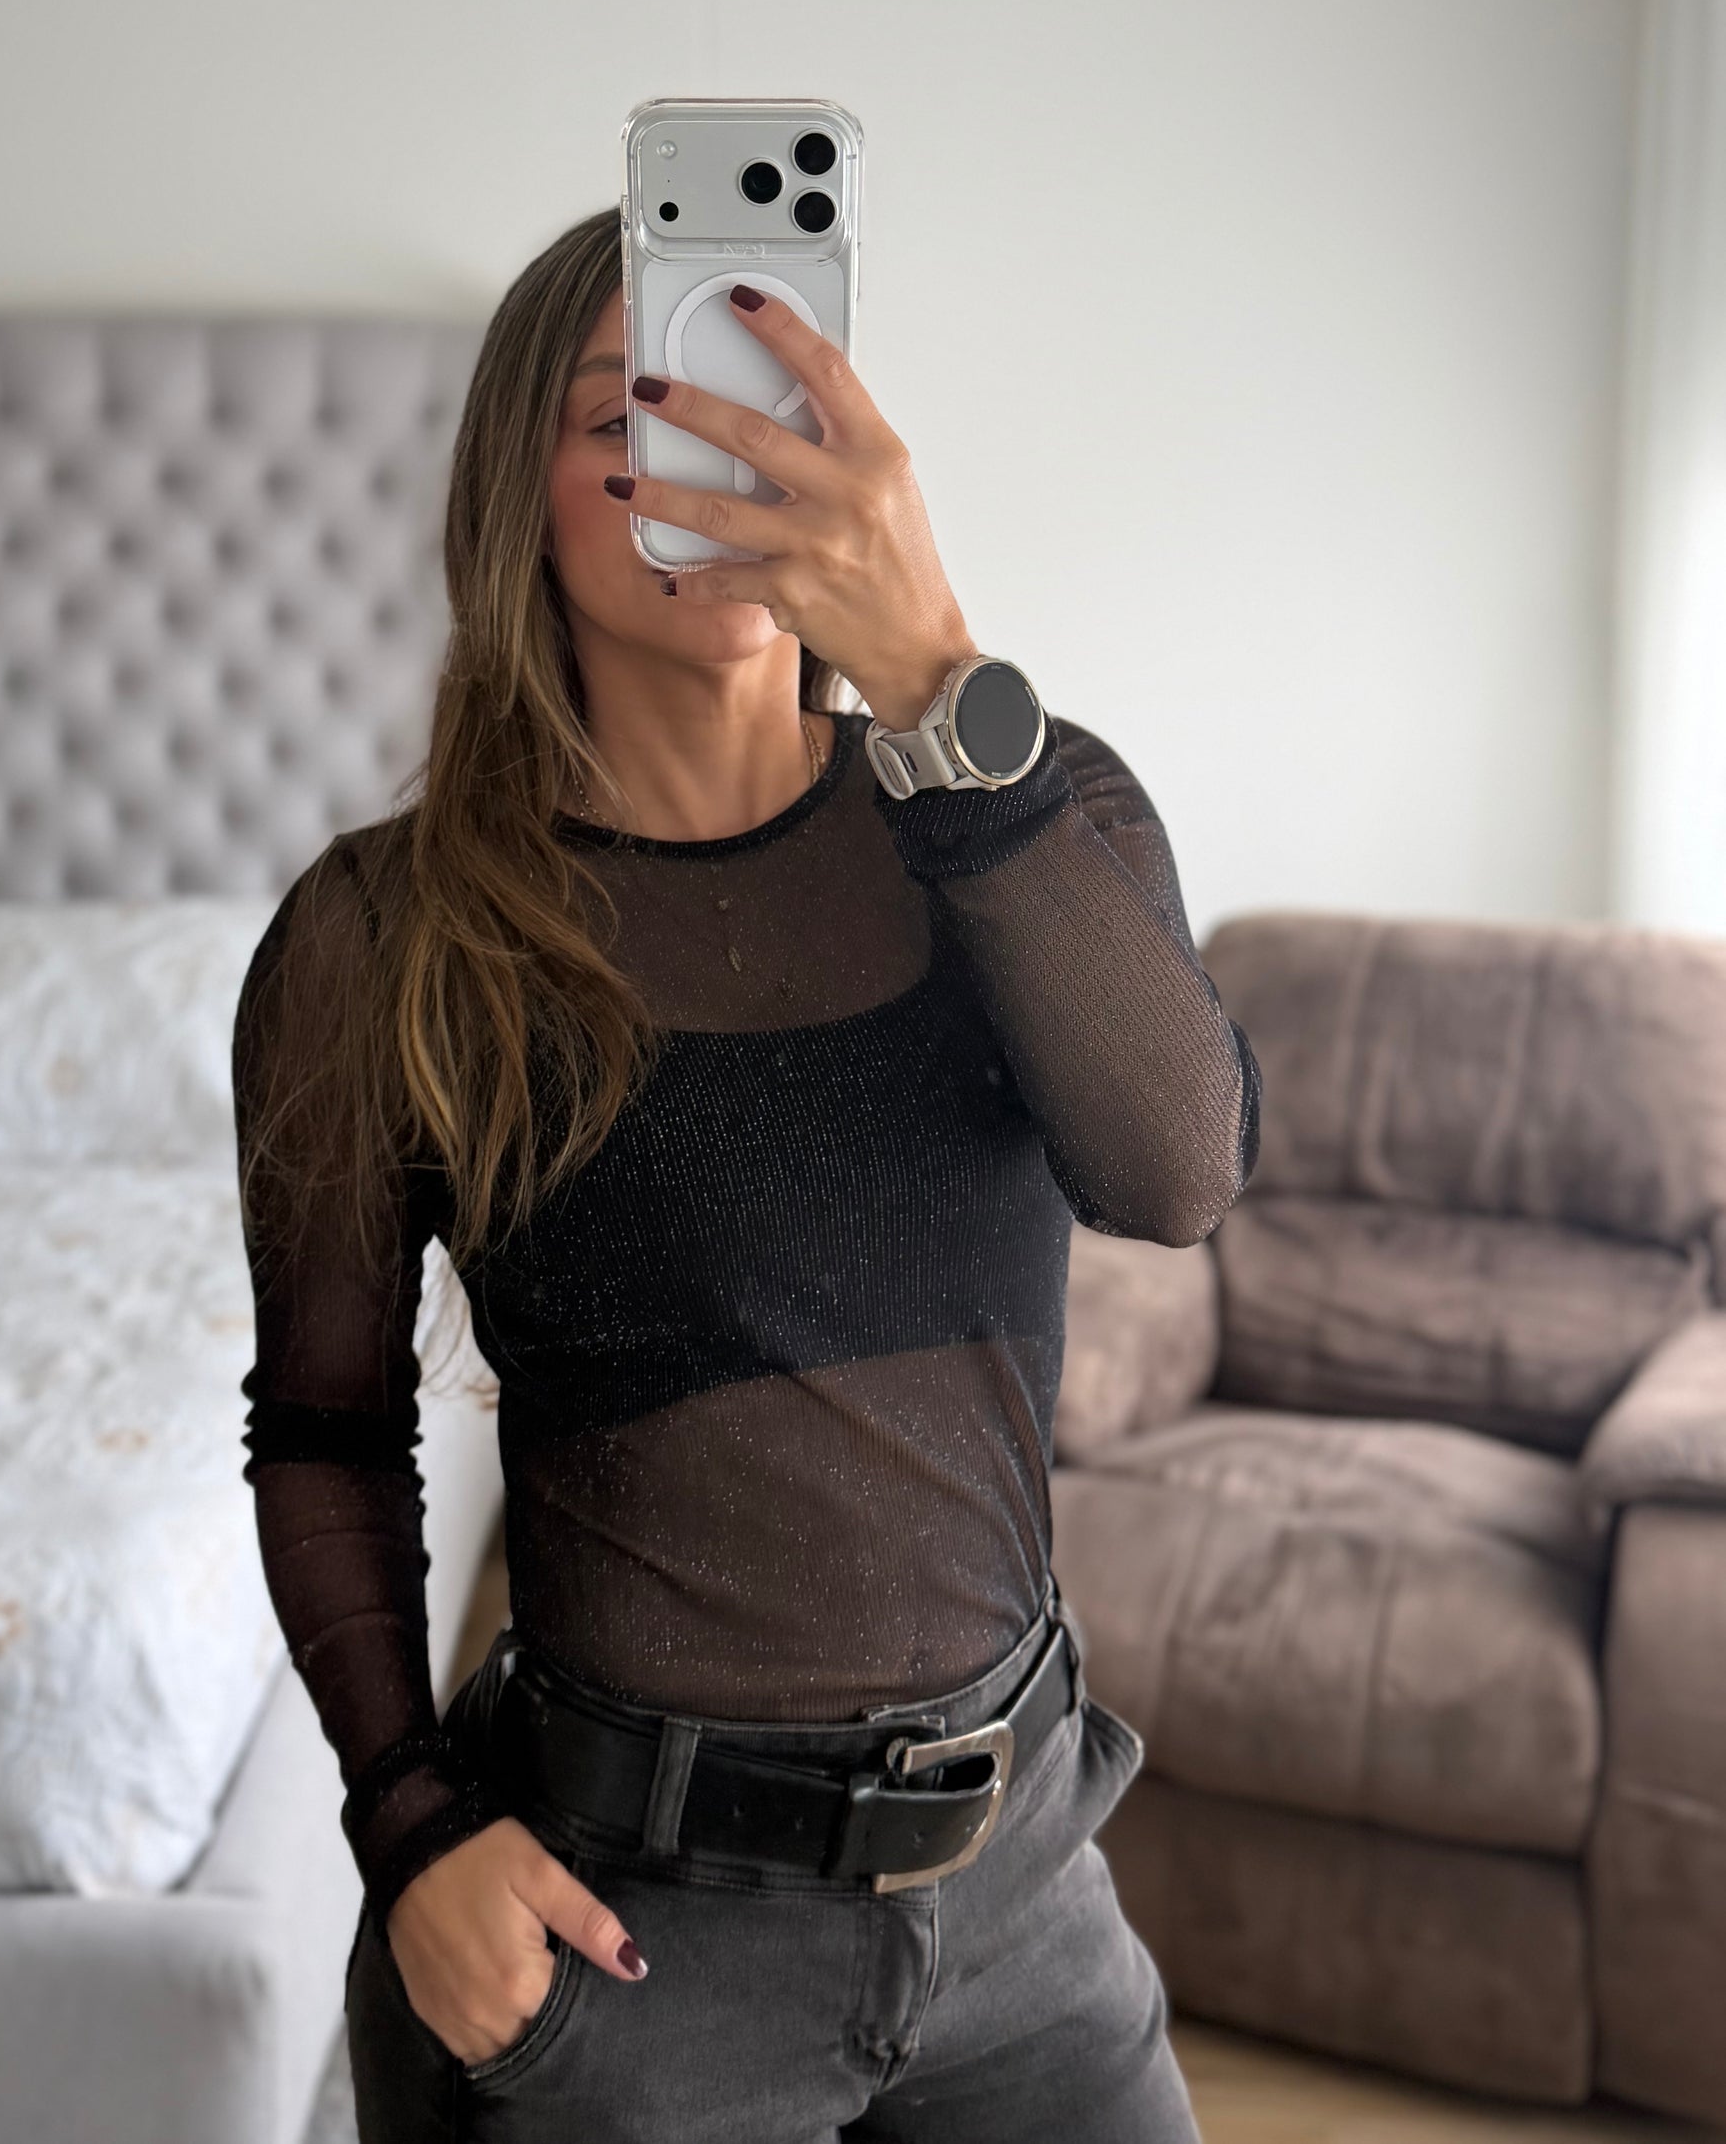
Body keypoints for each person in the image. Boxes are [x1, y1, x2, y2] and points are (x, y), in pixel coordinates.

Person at [232, 203, 1260, 2141]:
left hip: (1024, 1897)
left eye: (755, 403)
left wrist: (941, 677)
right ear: (516, 502)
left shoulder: (1028, 810)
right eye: (624, 414)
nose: (705, 456)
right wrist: (408, 1827)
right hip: (630, 1956)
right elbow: (324, 1434)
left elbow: (1177, 1173)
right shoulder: (384, 939)